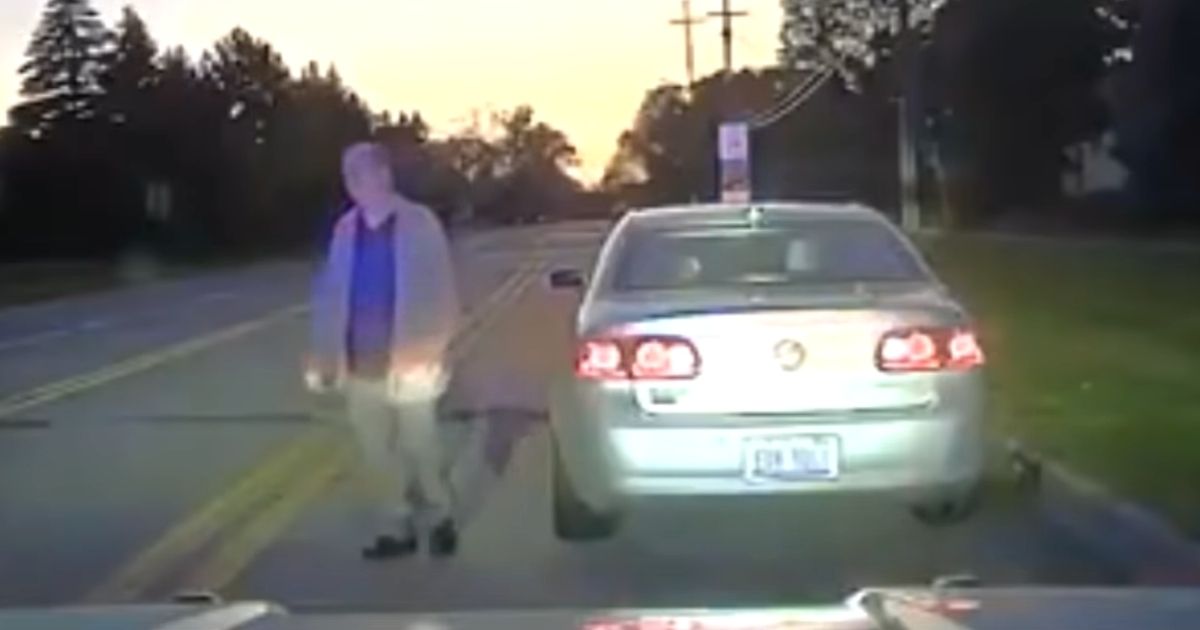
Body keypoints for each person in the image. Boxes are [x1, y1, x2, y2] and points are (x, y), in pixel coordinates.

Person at [306, 141, 461, 559]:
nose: (354, 182)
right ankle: (397, 527)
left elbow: (442, 291)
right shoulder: (345, 229)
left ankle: (441, 517)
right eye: (348, 175)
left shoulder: (418, 223)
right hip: (358, 360)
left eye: (361, 173)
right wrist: (323, 356)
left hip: (411, 359)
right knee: (376, 451)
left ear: (384, 175)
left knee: (420, 444)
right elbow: (331, 294)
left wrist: (432, 348)